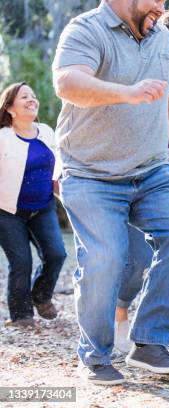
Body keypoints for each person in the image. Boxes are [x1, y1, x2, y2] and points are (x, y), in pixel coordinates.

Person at [53, 0, 169, 385]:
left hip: (151, 169)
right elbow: (68, 83)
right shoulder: (85, 29)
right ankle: (94, 355)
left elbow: (167, 98)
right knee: (106, 259)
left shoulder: (160, 37)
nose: (162, 6)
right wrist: (126, 92)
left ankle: (150, 342)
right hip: (91, 173)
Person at [0, 82, 67, 327]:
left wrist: (67, 199)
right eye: (24, 97)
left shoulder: (47, 132)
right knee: (21, 263)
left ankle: (41, 296)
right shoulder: (3, 138)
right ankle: (21, 316)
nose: (32, 100)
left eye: (33, 95)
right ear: (9, 108)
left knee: (57, 254)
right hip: (8, 212)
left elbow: (56, 171)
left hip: (43, 207)